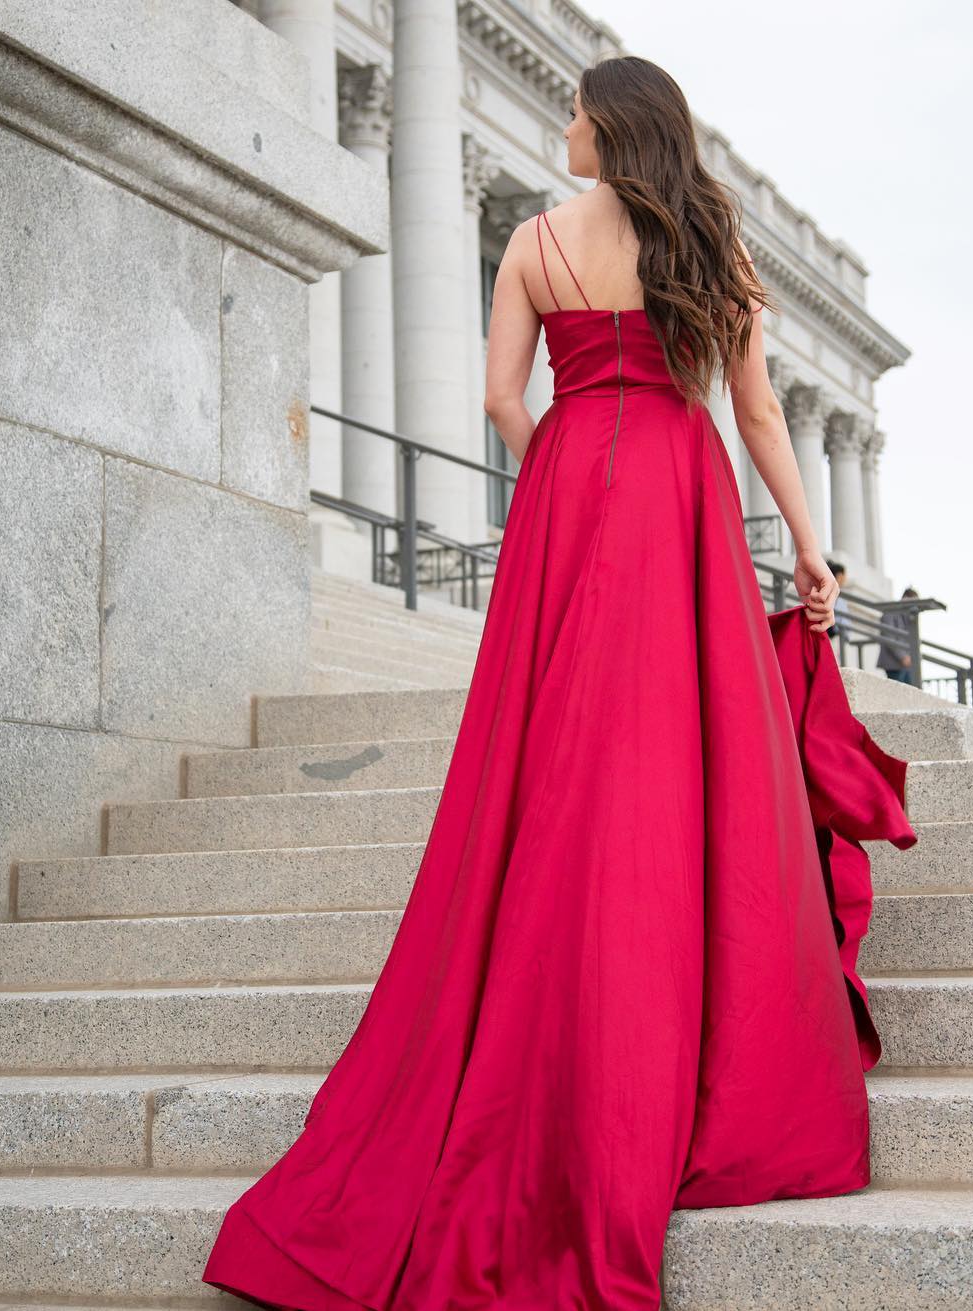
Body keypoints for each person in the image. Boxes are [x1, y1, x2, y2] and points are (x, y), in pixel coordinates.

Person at [202, 55, 914, 1311]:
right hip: (683, 504)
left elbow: (497, 398)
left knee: (556, 757)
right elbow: (754, 415)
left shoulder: (534, 240)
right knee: (678, 755)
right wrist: (806, 545)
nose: (563, 125)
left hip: (573, 498)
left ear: (611, 124)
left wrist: (566, 471)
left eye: (575, 111)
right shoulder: (705, 237)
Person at [877, 586, 920, 683]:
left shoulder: (909, 615)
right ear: (905, 599)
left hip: (907, 663)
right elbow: (888, 636)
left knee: (909, 692)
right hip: (893, 663)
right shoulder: (890, 612)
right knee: (897, 693)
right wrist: (903, 657)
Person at [826, 560, 852, 642]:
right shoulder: (832, 594)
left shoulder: (838, 596)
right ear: (839, 576)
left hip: (836, 634)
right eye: (844, 576)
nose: (845, 579)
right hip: (833, 635)